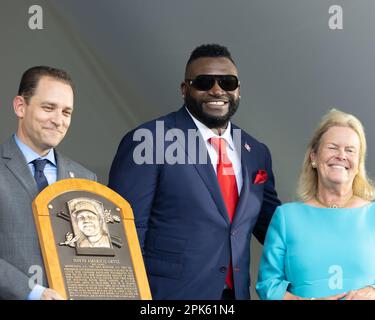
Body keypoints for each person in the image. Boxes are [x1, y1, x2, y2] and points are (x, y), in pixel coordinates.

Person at [108, 44, 280, 299]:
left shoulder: (256, 151)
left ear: (238, 90)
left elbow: (275, 229)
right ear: (184, 89)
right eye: (204, 82)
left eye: (227, 82)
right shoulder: (150, 140)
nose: (217, 90)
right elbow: (124, 230)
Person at [256, 109, 375, 300]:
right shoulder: (286, 217)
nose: (341, 155)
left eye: (350, 150)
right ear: (313, 157)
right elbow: (268, 285)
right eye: (333, 147)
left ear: (358, 162)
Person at [0, 66, 97, 300]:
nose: (58, 120)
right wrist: (32, 292)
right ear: (20, 107)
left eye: (66, 112)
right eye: (48, 108)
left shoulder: (87, 180)